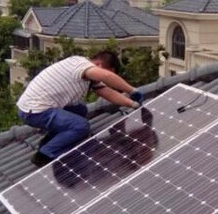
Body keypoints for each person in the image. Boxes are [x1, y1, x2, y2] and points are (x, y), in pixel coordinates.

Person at [16, 51, 144, 167]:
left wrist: (132, 104)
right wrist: (132, 90)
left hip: (39, 107)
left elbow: (106, 91)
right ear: (98, 65)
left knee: (80, 110)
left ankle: (49, 142)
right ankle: (44, 154)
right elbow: (106, 76)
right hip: (35, 111)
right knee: (81, 126)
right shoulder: (80, 65)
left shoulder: (86, 74)